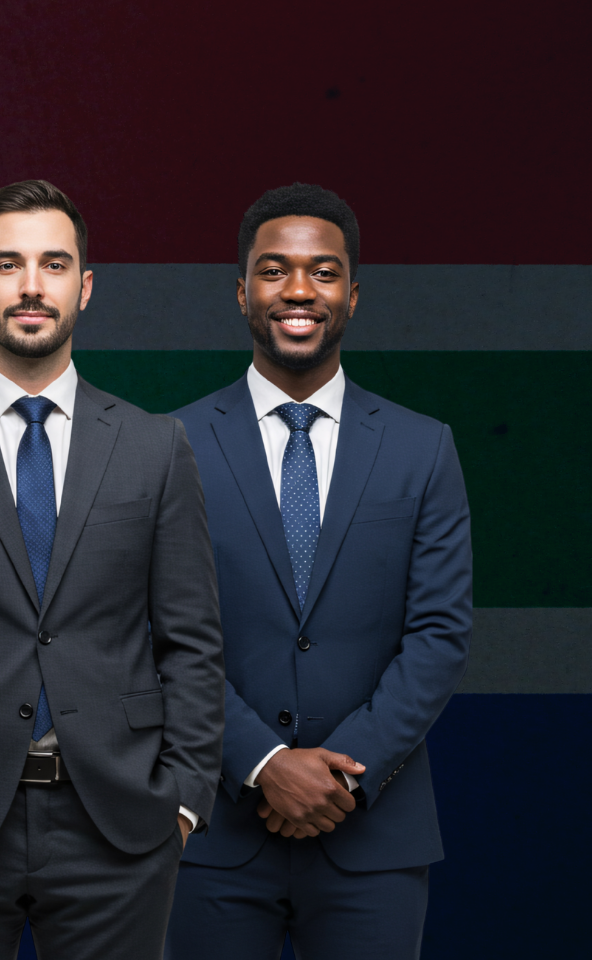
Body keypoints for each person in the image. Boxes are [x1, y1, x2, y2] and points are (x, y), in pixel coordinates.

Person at [0, 180, 223, 958]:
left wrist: (183, 804)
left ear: (84, 287)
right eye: (8, 264)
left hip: (119, 827)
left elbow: (191, 639)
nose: (30, 286)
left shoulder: (157, 446)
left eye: (53, 265)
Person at [166, 183, 473, 959]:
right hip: (213, 836)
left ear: (353, 294)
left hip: (375, 837)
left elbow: (439, 635)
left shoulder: (422, 447)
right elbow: (150, 629)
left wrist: (342, 780)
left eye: (323, 272)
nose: (298, 291)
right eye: (274, 271)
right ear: (242, 292)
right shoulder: (168, 447)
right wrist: (262, 763)